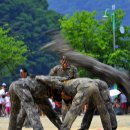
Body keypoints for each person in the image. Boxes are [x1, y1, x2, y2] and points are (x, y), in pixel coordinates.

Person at [36, 76, 113, 130]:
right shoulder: (69, 83)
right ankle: (108, 128)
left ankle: (64, 128)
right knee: (102, 109)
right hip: (94, 85)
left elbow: (54, 83)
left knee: (72, 111)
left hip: (84, 87)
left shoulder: (62, 86)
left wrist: (39, 78)